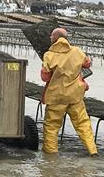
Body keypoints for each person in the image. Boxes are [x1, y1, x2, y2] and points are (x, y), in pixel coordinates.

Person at [40, 27, 98, 156]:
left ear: (55, 38)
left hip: (56, 97)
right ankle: (93, 151)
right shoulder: (77, 51)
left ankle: (51, 155)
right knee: (83, 124)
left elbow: (45, 77)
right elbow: (87, 64)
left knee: (51, 127)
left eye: (51, 36)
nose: (50, 38)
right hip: (75, 96)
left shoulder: (49, 55)